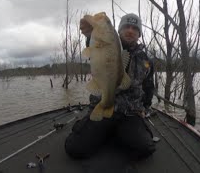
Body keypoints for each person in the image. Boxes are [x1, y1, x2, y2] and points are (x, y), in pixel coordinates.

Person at [65, 13, 155, 160]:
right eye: (126, 26)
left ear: (139, 33)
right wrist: (89, 34)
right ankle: (107, 133)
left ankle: (111, 135)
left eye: (134, 28)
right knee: (74, 148)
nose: (130, 30)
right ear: (118, 30)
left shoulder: (146, 60)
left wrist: (145, 108)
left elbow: (149, 87)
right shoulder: (106, 41)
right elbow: (94, 46)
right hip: (101, 108)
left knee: (146, 148)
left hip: (130, 114)